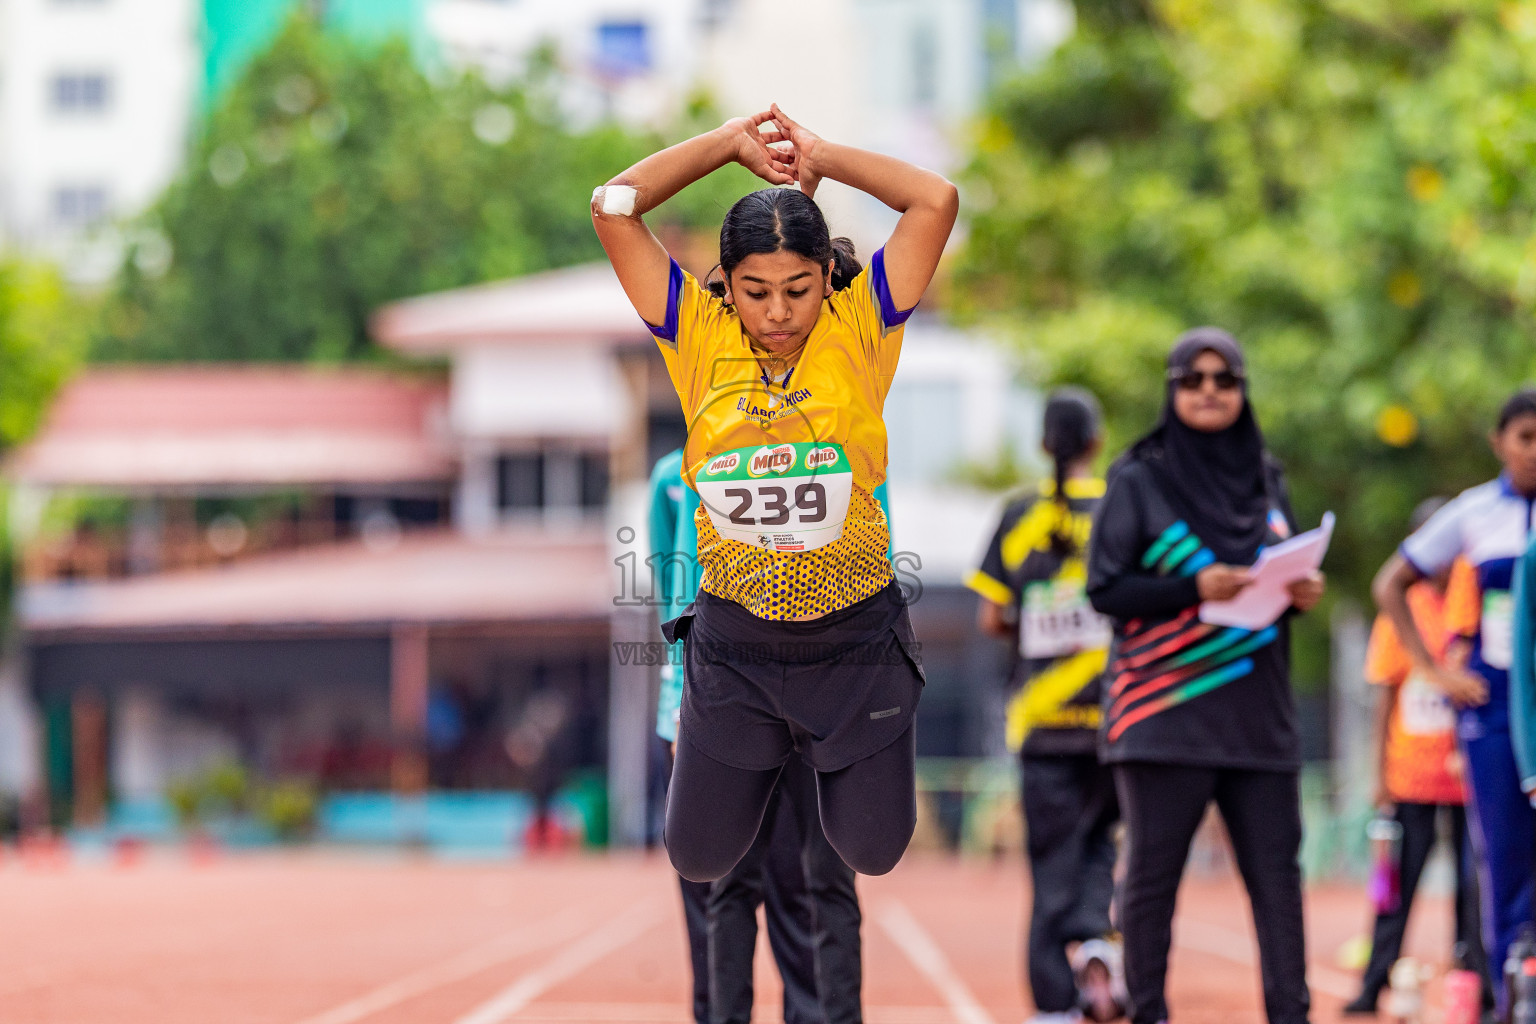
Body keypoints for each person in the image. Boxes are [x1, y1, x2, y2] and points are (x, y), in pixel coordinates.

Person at [592, 104, 958, 883]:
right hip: (737, 640)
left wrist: (823, 154)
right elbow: (613, 206)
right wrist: (726, 145)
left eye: (798, 288)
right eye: (757, 292)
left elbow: (935, 201)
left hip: (854, 636)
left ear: (827, 277)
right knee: (697, 857)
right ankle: (771, 743)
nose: (779, 313)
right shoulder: (697, 333)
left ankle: (834, 747)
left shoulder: (863, 329)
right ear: (727, 284)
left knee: (873, 850)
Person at [1086, 328, 1325, 1024]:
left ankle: (1291, 1013)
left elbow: (1286, 568)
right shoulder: (1139, 479)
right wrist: (1195, 588)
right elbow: (1106, 591)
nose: (1210, 391)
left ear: (1243, 392)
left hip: (1259, 719)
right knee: (1153, 884)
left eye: (1225, 379)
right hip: (1163, 719)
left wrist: (1302, 593)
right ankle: (1149, 1013)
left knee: (1278, 884)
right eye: (1194, 379)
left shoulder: (1267, 476)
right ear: (1173, 390)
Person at [649, 448, 870, 1024]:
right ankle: (716, 1013)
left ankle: (813, 1011)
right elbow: (676, 582)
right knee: (720, 881)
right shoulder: (678, 475)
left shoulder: (837, 456)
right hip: (722, 696)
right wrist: (679, 698)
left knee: (807, 878)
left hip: (816, 689)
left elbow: (875, 562)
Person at [1373, 387, 1536, 1019]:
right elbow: (1391, 581)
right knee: (1501, 854)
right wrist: (1432, 669)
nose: (1535, 452)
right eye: (1526, 438)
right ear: (1499, 443)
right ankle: (1508, 993)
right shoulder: (1475, 514)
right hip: (1493, 709)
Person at [968, 389, 1124, 1024]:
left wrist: (1036, 623)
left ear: (1042, 445)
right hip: (1116, 720)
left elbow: (988, 619)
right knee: (1101, 846)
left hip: (1041, 723)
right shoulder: (1122, 509)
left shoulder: (1018, 514)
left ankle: (1055, 1004)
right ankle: (1096, 943)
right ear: (1097, 443)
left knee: (1049, 863)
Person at [1342, 498, 1489, 1015]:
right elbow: (1385, 696)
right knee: (1395, 891)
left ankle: (1480, 985)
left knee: (1475, 890)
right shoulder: (1401, 612)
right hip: (1411, 776)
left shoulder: (1476, 602)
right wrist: (1380, 772)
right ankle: (1372, 984)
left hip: (1472, 776)